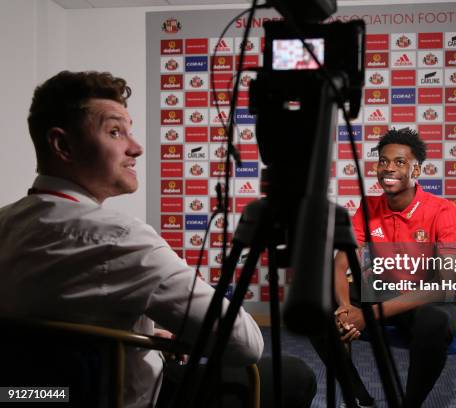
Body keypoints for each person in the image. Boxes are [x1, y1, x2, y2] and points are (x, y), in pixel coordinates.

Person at [0, 71, 314, 408]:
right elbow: (245, 343)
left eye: (129, 131)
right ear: (62, 145)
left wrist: (143, 337)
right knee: (295, 375)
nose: (136, 147)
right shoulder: (121, 238)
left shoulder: (5, 221)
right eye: (115, 132)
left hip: (29, 397)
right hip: (121, 398)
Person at [314, 128, 456, 408]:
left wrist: (366, 316)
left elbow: (444, 285)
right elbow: (343, 261)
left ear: (416, 169)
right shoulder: (368, 206)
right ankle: (360, 397)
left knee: (435, 323)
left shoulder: (443, 210)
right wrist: (345, 307)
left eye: (399, 162)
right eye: (383, 161)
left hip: (424, 300)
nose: (389, 168)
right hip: (383, 291)